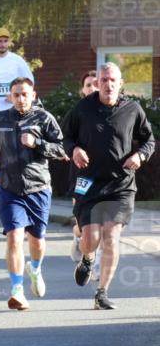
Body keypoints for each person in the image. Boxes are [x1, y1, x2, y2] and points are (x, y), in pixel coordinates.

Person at [0, 77, 65, 311]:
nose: (20, 99)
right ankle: (17, 291)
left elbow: (62, 149)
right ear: (10, 96)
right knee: (14, 237)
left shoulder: (44, 119)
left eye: (25, 94)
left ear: (33, 95)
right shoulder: (2, 118)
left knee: (37, 240)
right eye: (16, 94)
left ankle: (35, 268)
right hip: (9, 187)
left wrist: (38, 143)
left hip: (38, 187)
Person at [66, 62, 155, 309]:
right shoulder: (83, 108)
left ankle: (101, 292)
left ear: (121, 83)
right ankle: (86, 257)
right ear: (97, 83)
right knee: (91, 238)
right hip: (89, 182)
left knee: (112, 236)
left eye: (113, 80)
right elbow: (66, 136)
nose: (108, 84)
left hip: (121, 183)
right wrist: (74, 149)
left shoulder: (133, 109)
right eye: (104, 80)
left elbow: (149, 139)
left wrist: (140, 156)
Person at [66, 69, 99, 263]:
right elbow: (65, 139)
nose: (93, 88)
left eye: (96, 83)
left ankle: (94, 261)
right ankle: (78, 236)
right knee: (82, 220)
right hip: (82, 175)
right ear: (83, 90)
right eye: (88, 85)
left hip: (106, 176)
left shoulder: (113, 110)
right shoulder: (77, 112)